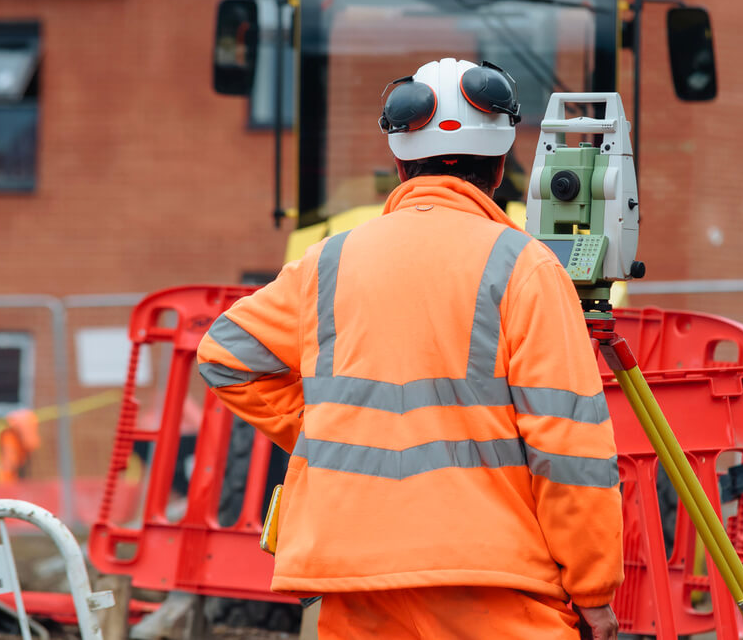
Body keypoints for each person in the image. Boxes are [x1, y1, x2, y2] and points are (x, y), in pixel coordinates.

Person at [197, 58, 623, 638]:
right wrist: (593, 590)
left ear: (399, 164)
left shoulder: (328, 261)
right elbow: (569, 445)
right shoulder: (523, 265)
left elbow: (225, 355)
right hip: (487, 580)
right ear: (499, 168)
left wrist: (336, 435)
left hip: (354, 578)